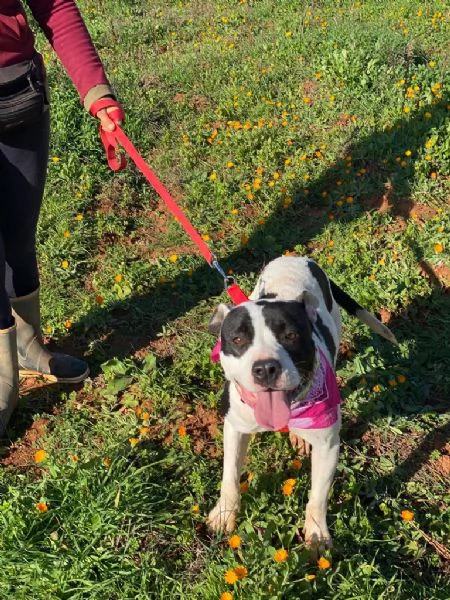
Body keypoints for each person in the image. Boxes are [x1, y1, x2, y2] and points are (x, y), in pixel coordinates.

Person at [0, 0, 124, 436]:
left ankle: (28, 346)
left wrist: (97, 92)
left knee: (18, 237)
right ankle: (2, 376)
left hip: (16, 95)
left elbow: (54, 7)